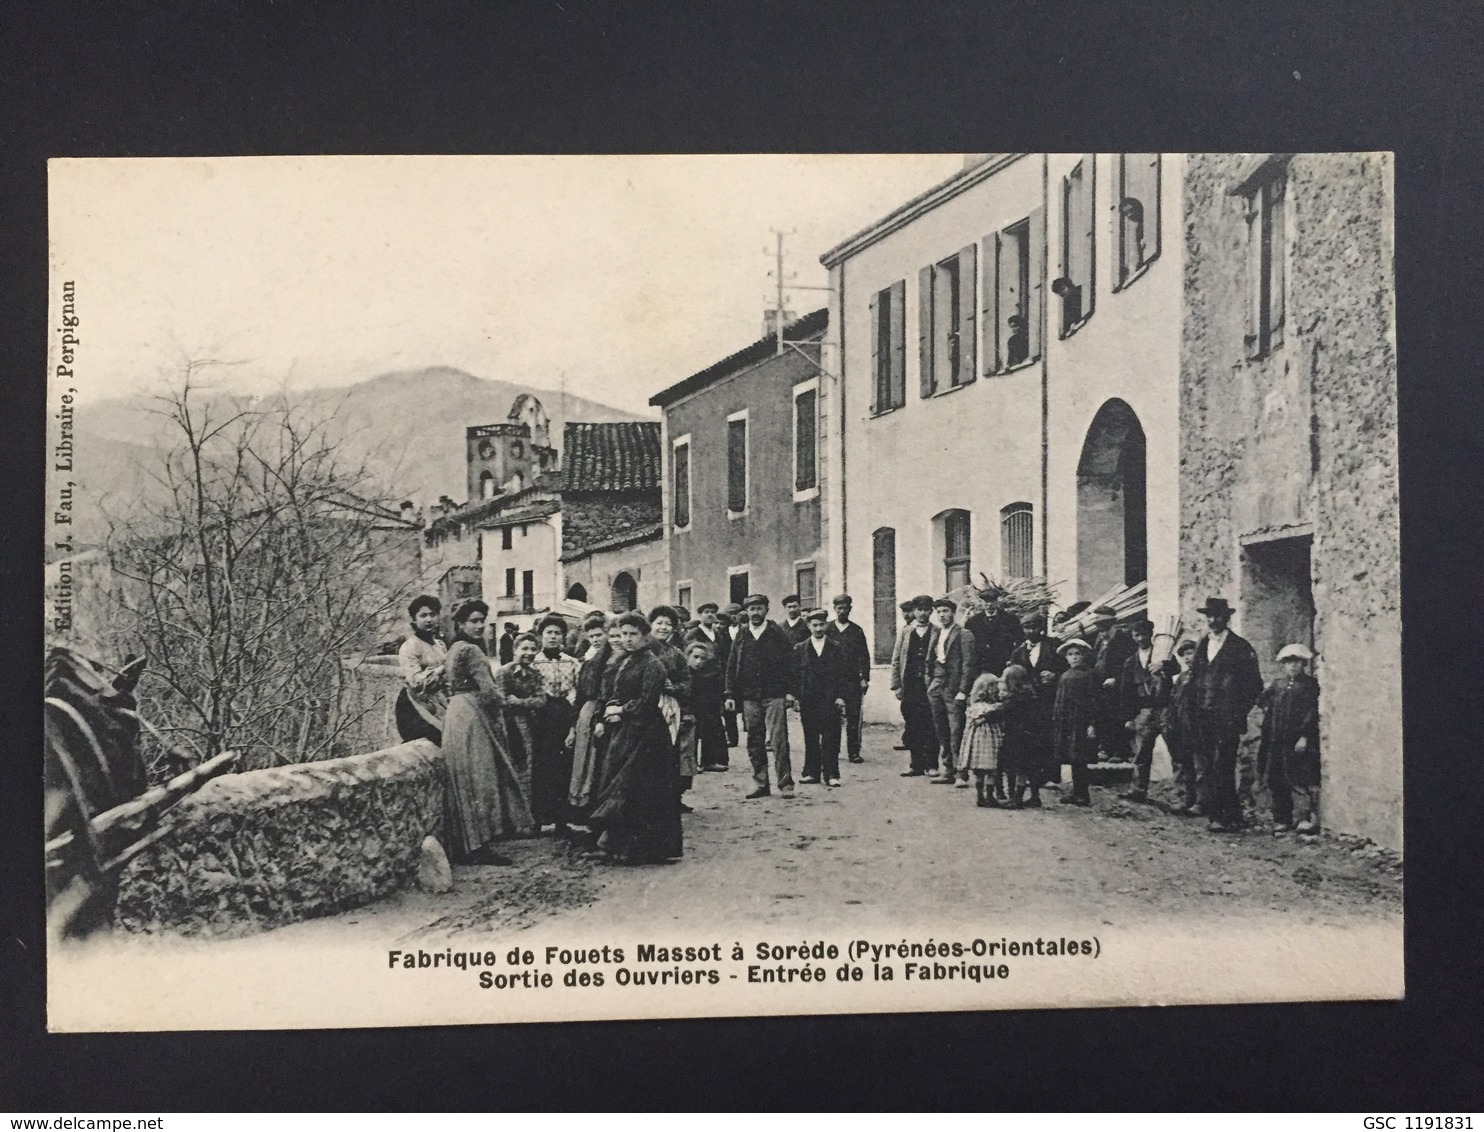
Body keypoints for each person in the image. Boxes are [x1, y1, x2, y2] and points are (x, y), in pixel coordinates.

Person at [441, 600, 534, 860]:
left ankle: (467, 842)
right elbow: (490, 692)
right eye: (473, 620)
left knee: (464, 776)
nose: (480, 625)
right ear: (460, 624)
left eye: (482, 620)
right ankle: (479, 845)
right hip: (472, 713)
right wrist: (506, 705)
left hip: (456, 713)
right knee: (479, 777)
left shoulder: (453, 648)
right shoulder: (471, 651)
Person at [589, 611, 683, 864]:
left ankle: (642, 849)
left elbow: (647, 702)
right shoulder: (626, 661)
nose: (628, 639)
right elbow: (617, 691)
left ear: (645, 636)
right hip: (626, 733)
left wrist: (621, 710)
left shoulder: (653, 664)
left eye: (633, 634)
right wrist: (611, 707)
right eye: (623, 635)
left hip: (648, 735)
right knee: (621, 786)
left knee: (638, 790)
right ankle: (617, 845)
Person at [1188, 597, 1265, 833]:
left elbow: (1254, 686)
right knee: (1210, 765)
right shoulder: (1203, 645)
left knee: (1223, 764)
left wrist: (1237, 711)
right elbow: (1195, 680)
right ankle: (1230, 815)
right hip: (1204, 715)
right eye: (1209, 616)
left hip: (1227, 718)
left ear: (1227, 618)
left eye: (1218, 616)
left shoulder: (1240, 647)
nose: (1213, 621)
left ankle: (1221, 816)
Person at [724, 593, 797, 800]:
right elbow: (731, 665)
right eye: (751, 609)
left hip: (774, 694)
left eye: (759, 608)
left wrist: (791, 691)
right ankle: (761, 783)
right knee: (754, 740)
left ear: (766, 610)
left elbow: (791, 664)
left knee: (778, 740)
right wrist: (729, 693)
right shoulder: (741, 635)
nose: (755, 613)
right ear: (746, 612)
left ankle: (785, 783)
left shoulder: (777, 633)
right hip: (750, 696)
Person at [1258, 643, 1321, 834]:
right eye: (1288, 662)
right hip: (1277, 739)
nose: (1293, 666)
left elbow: (1310, 712)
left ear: (1303, 664)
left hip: (1295, 740)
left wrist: (1303, 736)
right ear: (1283, 665)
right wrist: (1268, 711)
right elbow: (1262, 699)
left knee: (1297, 777)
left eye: (1297, 662)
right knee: (1277, 778)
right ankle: (1282, 819)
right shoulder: (1278, 684)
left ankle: (1303, 817)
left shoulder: (1309, 685)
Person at [530, 614, 581, 832]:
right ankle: (540, 818)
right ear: (541, 636)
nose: (553, 637)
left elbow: (579, 688)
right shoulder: (533, 662)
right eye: (548, 633)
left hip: (565, 715)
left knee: (564, 767)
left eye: (557, 633)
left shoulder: (572, 662)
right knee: (543, 766)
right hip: (542, 717)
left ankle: (562, 819)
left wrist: (570, 700)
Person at [1118, 619, 1178, 803]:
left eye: (1144, 634)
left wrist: (1164, 666)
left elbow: (1176, 669)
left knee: (1177, 750)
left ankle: (1184, 795)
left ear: (1150, 634)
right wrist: (1128, 717)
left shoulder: (1163, 655)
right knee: (1141, 752)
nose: (1140, 638)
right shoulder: (1131, 661)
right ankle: (1137, 790)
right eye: (1136, 635)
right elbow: (1126, 691)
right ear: (1132, 636)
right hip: (1144, 710)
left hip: (1165, 708)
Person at [493, 633, 548, 832]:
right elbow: (502, 700)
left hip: (528, 726)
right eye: (524, 648)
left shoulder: (534, 674)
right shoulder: (503, 672)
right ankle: (509, 823)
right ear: (515, 649)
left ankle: (525, 821)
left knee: (528, 771)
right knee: (511, 770)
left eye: (533, 649)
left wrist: (521, 702)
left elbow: (541, 700)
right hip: (507, 726)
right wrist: (524, 702)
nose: (529, 653)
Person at [1009, 612, 1068, 789]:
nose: (1030, 631)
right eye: (1027, 628)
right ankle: (1030, 776)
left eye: (1034, 627)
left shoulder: (1054, 647)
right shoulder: (1019, 651)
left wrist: (1055, 676)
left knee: (1049, 736)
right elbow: (1012, 675)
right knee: (1028, 738)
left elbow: (1066, 669)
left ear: (1041, 629)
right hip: (1026, 702)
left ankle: (1051, 776)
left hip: (1049, 699)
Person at [567, 617, 616, 822]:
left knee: (598, 760)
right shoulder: (588, 660)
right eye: (592, 636)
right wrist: (572, 726)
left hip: (601, 712)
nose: (596, 639)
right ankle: (581, 808)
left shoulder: (612, 659)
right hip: (585, 714)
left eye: (599, 635)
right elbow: (579, 695)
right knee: (583, 760)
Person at [926, 596, 978, 785]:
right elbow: (929, 661)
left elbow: (968, 664)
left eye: (945, 611)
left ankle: (961, 773)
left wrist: (963, 690)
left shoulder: (964, 634)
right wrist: (929, 682)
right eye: (939, 612)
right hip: (936, 686)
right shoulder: (936, 634)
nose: (942, 615)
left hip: (954, 688)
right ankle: (947, 769)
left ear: (953, 613)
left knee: (956, 730)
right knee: (941, 730)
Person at [795, 608, 848, 787]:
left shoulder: (836, 646)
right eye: (814, 625)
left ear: (826, 625)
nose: (818, 628)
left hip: (829, 699)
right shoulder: (800, 648)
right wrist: (795, 697)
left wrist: (841, 696)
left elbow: (843, 674)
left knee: (831, 736)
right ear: (809, 626)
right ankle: (811, 772)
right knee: (810, 736)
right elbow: (795, 676)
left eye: (821, 625)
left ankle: (831, 774)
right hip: (808, 699)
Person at [648, 606, 695, 808]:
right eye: (659, 623)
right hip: (647, 707)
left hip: (670, 707)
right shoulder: (644, 649)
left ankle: (674, 798)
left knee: (673, 753)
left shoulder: (676, 653)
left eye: (668, 624)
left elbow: (687, 682)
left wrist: (674, 688)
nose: (663, 628)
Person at [891, 596, 938, 776]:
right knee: (913, 724)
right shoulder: (906, 632)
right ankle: (916, 764)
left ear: (931, 611)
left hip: (929, 685)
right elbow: (897, 659)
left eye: (926, 609)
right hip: (910, 685)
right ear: (914, 611)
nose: (922, 613)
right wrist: (896, 685)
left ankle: (932, 764)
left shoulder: (936, 631)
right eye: (919, 609)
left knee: (931, 724)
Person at [1051, 638, 1099, 806]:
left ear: (1084, 655)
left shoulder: (1088, 675)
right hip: (1066, 721)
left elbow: (1093, 701)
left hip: (1080, 721)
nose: (1074, 657)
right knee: (1072, 757)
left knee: (1080, 758)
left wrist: (1092, 724)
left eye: (1077, 654)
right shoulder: (1064, 676)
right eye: (1070, 654)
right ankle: (1076, 792)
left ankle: (1082, 794)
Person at [396, 595, 448, 744]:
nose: (429, 619)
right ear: (414, 620)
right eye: (423, 615)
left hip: (439, 701)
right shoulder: (409, 647)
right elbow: (415, 681)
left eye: (433, 614)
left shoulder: (440, 645)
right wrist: (442, 669)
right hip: (415, 704)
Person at [826, 594, 871, 763]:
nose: (842, 611)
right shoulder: (828, 629)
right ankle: (833, 750)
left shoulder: (856, 631)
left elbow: (864, 657)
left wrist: (864, 678)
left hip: (852, 680)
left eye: (845, 608)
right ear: (834, 609)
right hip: (831, 680)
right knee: (832, 717)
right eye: (839, 608)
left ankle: (854, 751)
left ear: (850, 609)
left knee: (854, 716)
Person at [1089, 606, 1137, 761]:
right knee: (1102, 715)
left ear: (1111, 622)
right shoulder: (1098, 639)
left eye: (1103, 623)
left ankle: (1120, 752)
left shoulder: (1123, 639)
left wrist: (1117, 679)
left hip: (1118, 686)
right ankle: (1106, 748)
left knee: (1118, 716)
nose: (1099, 626)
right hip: (1100, 685)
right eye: (1097, 624)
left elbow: (1129, 664)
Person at [686, 602, 731, 765]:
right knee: (698, 721)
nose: (710, 615)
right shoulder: (694, 634)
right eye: (706, 612)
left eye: (713, 612)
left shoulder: (718, 634)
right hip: (699, 683)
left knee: (713, 720)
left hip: (715, 684)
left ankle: (711, 759)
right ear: (700, 615)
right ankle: (693, 761)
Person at [1160, 639, 1201, 814]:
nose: (1188, 658)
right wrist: (1168, 722)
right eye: (1184, 655)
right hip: (1180, 727)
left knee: (1200, 765)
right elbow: (1174, 702)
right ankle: (1184, 798)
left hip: (1197, 727)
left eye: (1191, 653)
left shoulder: (1204, 677)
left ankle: (1201, 802)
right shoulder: (1182, 678)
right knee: (1182, 763)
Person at [997, 664, 1044, 807]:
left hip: (1017, 737)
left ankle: (1016, 798)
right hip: (1031, 735)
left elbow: (1002, 712)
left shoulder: (1014, 699)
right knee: (1030, 768)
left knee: (1018, 768)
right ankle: (1035, 797)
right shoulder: (1030, 694)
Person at [960, 671, 1007, 804]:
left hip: (976, 742)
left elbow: (972, 721)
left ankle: (980, 796)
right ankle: (990, 796)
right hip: (990, 740)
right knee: (991, 770)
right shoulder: (993, 708)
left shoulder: (974, 707)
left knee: (979, 771)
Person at [685, 638, 728, 773]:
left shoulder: (707, 675)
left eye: (702, 658)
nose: (698, 661)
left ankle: (708, 761)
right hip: (688, 709)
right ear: (688, 656)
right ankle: (692, 762)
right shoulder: (684, 673)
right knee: (692, 734)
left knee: (709, 728)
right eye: (695, 657)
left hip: (704, 708)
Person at [965, 591, 1024, 679]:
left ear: (997, 602)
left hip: (1005, 664)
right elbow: (969, 646)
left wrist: (1012, 659)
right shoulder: (973, 622)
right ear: (981, 602)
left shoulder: (1010, 619)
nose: (989, 604)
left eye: (992, 601)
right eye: (985, 601)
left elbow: (1020, 641)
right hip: (982, 666)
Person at [889, 598, 916, 751]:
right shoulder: (905, 629)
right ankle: (909, 740)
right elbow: (897, 657)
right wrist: (896, 684)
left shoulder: (919, 629)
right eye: (904, 612)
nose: (906, 614)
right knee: (907, 709)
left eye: (909, 611)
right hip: (906, 679)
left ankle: (913, 741)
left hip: (918, 679)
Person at [719, 603, 744, 748]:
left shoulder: (745, 630)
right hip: (727, 673)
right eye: (731, 613)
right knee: (729, 707)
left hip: (742, 674)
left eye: (736, 613)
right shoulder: (722, 632)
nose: (734, 616)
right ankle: (732, 737)